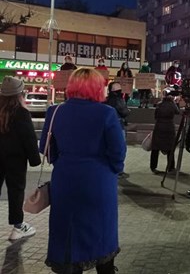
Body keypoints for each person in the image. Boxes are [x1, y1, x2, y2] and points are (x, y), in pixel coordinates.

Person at [39, 68, 127, 274]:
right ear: (97, 88)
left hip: (65, 179)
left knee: (67, 229)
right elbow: (118, 151)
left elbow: (45, 147)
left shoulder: (55, 111)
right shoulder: (106, 113)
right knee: (101, 230)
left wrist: (62, 162)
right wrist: (113, 170)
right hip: (99, 181)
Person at [0, 77, 40, 241]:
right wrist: (35, 159)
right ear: (19, 93)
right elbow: (29, 138)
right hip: (15, 160)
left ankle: (18, 225)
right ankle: (18, 226)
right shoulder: (21, 113)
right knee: (16, 191)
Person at [151, 90, 180, 174]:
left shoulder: (159, 104)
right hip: (169, 127)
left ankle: (153, 167)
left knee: (155, 148)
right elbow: (177, 112)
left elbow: (155, 116)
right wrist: (176, 102)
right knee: (170, 148)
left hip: (159, 126)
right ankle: (171, 167)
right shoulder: (172, 104)